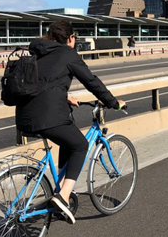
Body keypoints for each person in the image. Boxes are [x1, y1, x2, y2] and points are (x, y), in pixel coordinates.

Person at [15, 20, 125, 224]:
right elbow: (91, 81)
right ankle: (63, 195)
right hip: (49, 116)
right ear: (71, 38)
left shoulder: (36, 53)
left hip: (24, 116)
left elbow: (41, 84)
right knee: (80, 145)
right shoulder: (67, 53)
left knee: (67, 142)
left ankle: (57, 191)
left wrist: (66, 97)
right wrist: (113, 102)